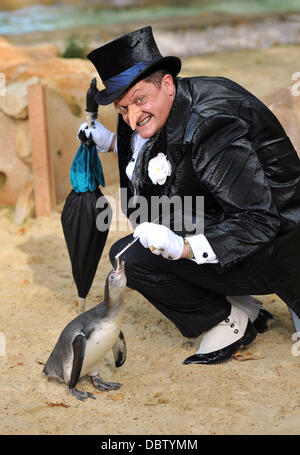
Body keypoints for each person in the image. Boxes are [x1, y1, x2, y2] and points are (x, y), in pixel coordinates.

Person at [79, 26, 300, 364]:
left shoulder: (212, 124)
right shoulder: (169, 102)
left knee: (132, 259)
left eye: (139, 100)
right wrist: (112, 143)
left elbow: (259, 219)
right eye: (122, 109)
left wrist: (182, 248)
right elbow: (173, 156)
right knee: (146, 231)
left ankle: (225, 320)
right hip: (232, 217)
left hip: (280, 244)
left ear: (167, 83)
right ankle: (241, 306)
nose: (132, 118)